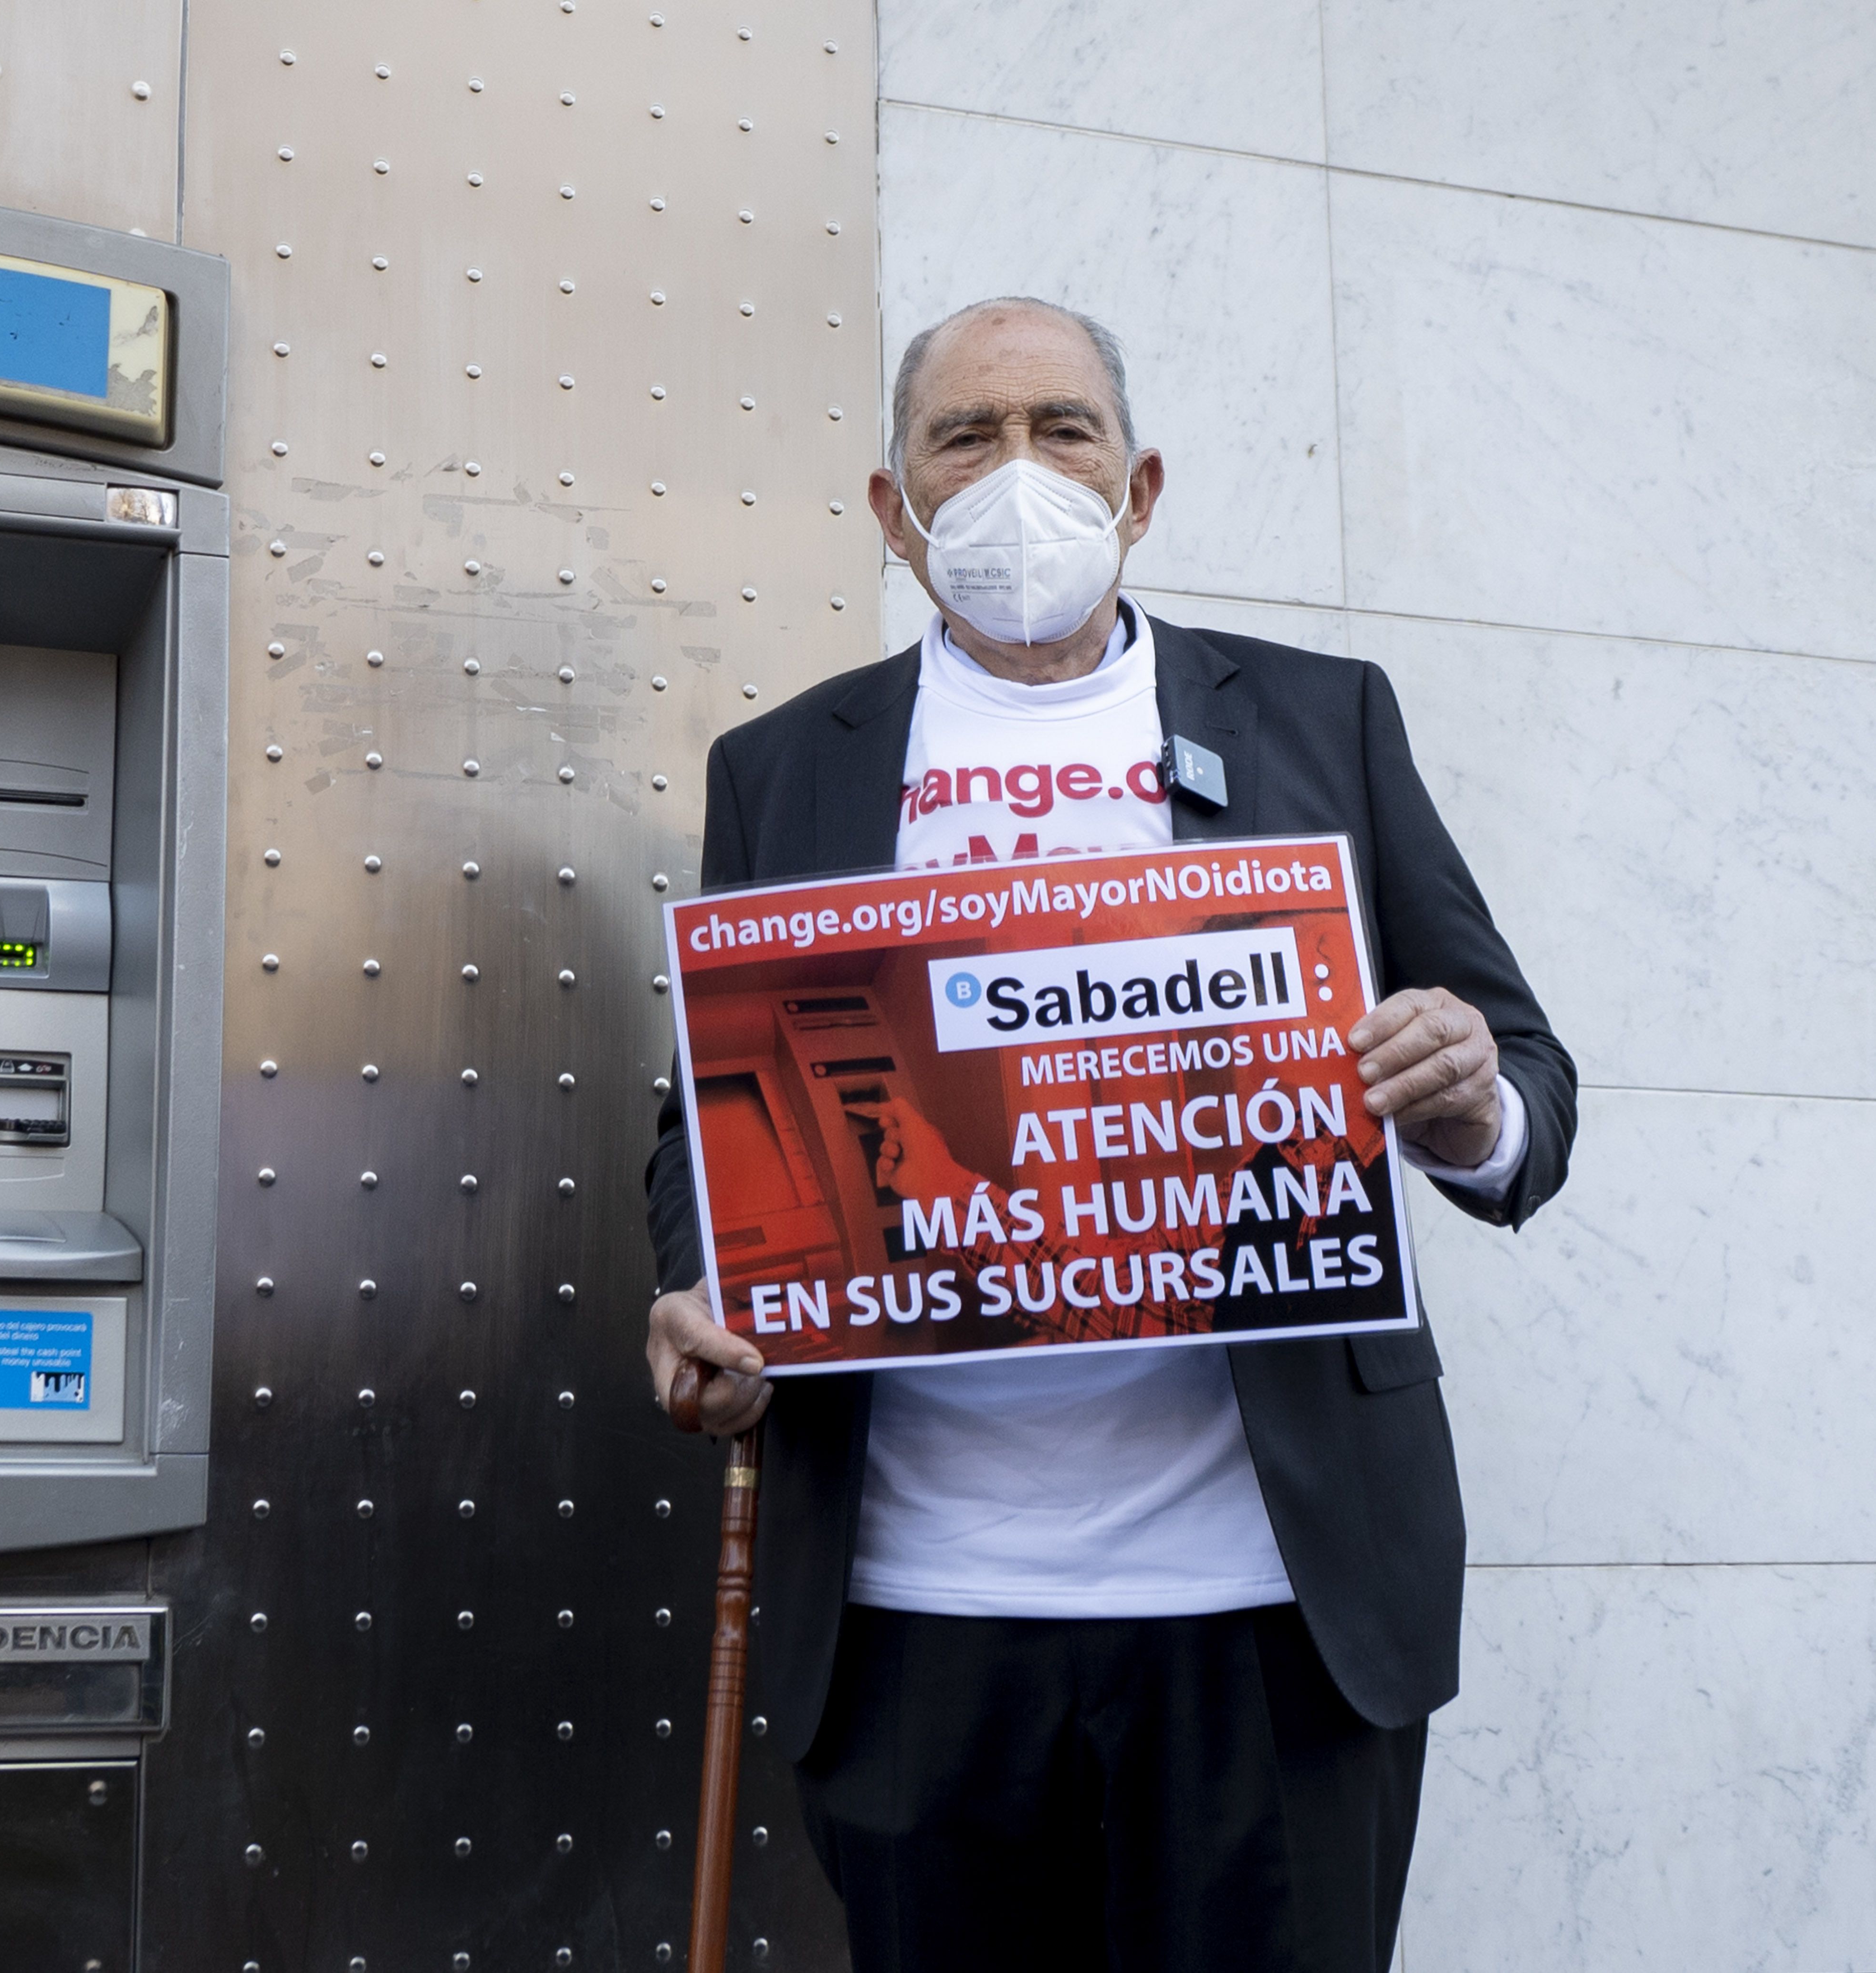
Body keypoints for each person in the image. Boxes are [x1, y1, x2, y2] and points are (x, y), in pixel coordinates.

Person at [642, 297, 1576, 1972]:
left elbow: (1515, 1069)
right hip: (914, 1605)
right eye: (963, 437)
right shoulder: (787, 766)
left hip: (1271, 1611)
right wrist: (701, 1290)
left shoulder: (1320, 718)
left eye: (1061, 433)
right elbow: (713, 1123)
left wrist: (1467, 1105)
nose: (1017, 476)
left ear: (1138, 486)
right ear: (891, 508)